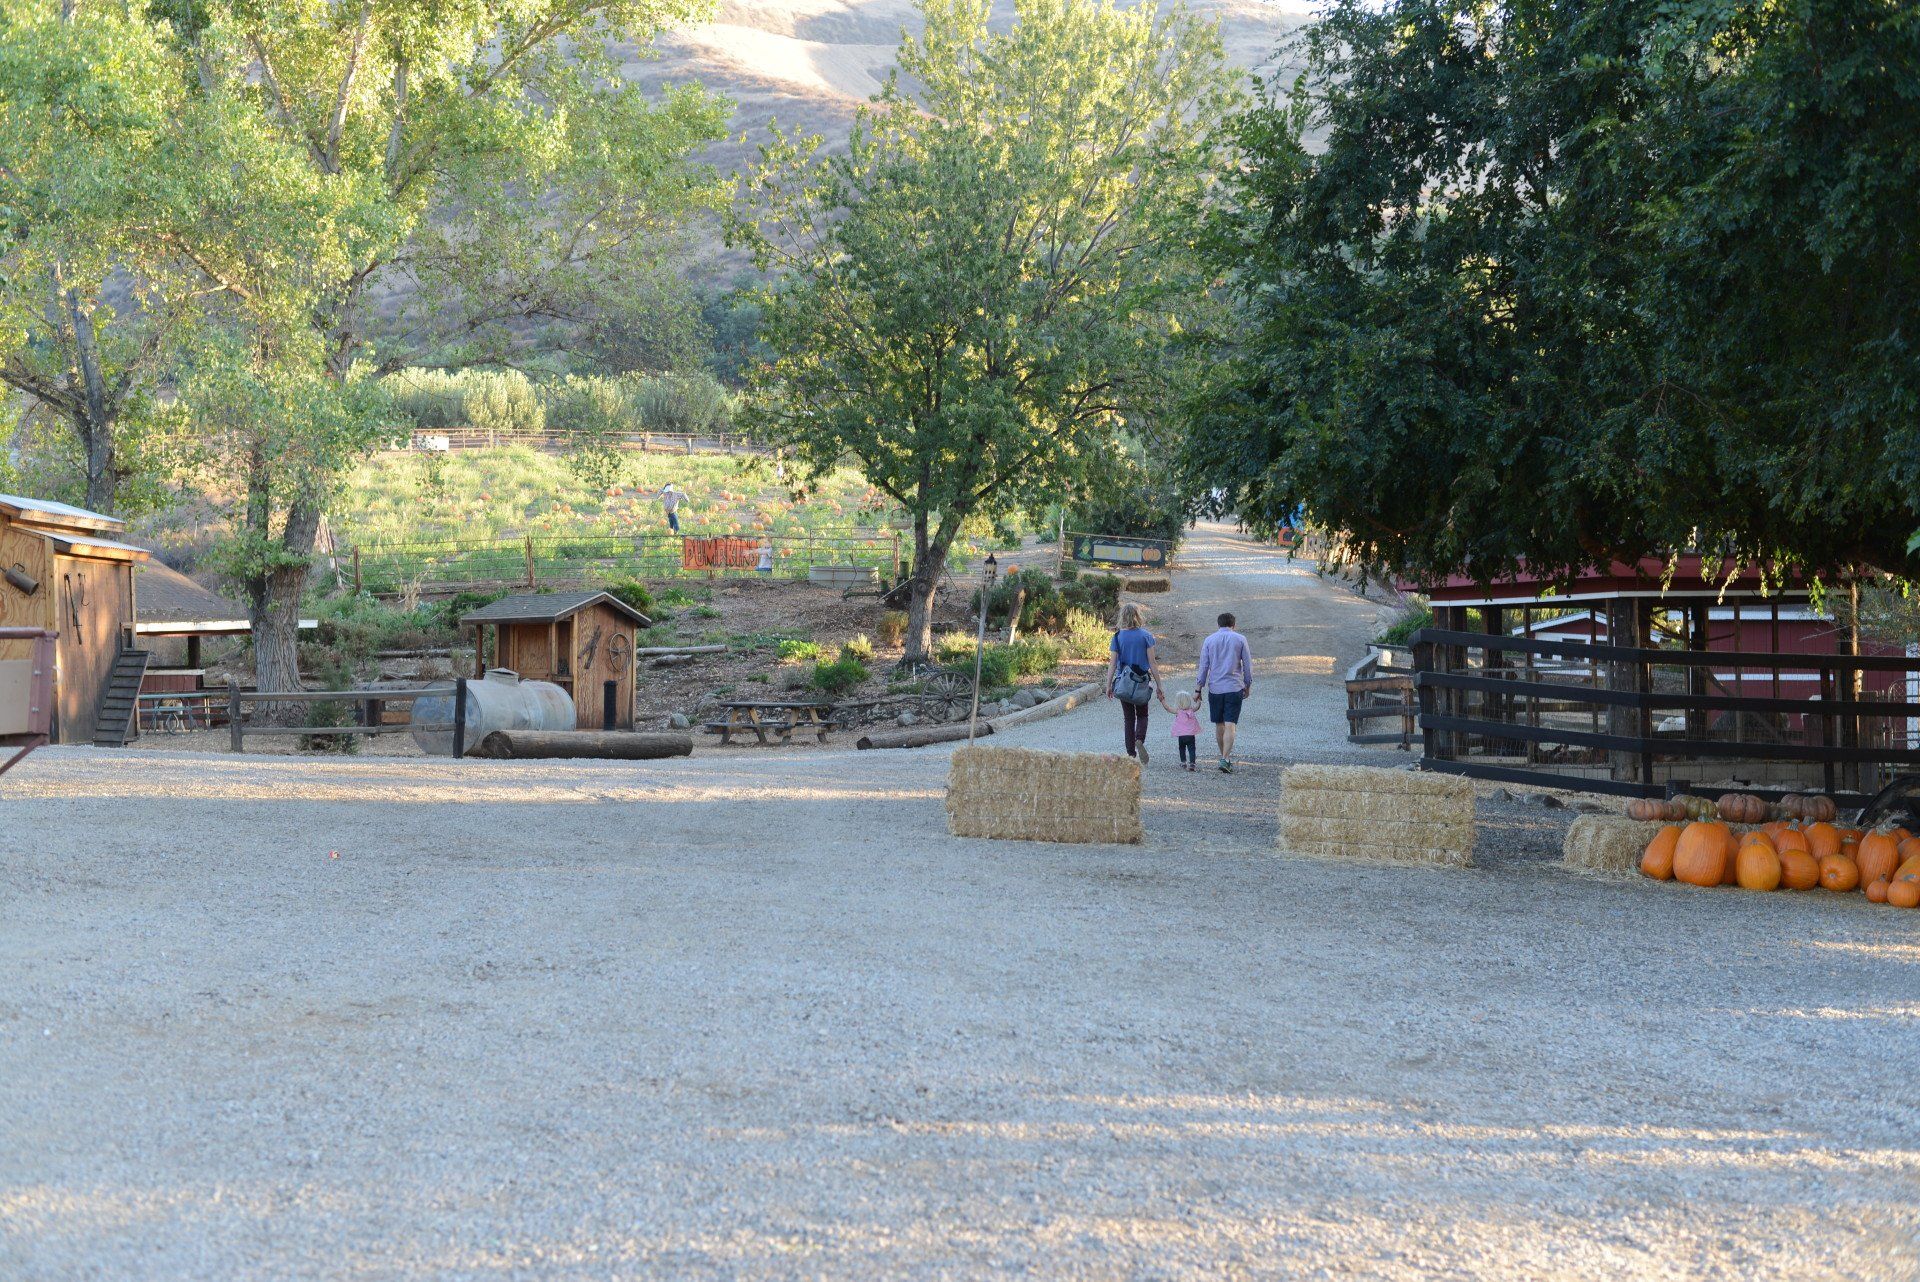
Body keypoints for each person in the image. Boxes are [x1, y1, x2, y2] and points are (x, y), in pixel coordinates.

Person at [1193, 611, 1252, 772]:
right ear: (1234, 625)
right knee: (1230, 723)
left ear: (1218, 625)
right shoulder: (1240, 639)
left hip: (1216, 688)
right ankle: (1225, 758)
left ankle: (1224, 758)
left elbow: (1204, 666)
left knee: (1219, 724)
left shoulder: (1209, 640)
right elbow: (1247, 665)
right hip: (1234, 687)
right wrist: (1247, 684)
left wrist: (1198, 689)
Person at [1105, 602, 1163, 764]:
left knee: (1128, 719)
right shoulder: (1146, 636)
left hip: (1124, 683)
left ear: (1122, 617)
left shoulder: (1117, 637)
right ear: (1138, 616)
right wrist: (1159, 686)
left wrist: (1108, 685)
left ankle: (1131, 754)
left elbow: (1113, 663)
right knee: (1142, 714)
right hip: (1142, 681)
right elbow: (1152, 663)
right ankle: (1140, 739)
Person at [1162, 689, 1201, 771]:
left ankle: (1183, 762)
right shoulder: (1191, 710)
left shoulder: (1178, 711)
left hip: (1181, 735)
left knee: (1181, 748)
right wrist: (1199, 699)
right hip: (1190, 735)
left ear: (1178, 702)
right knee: (1192, 749)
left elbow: (1167, 708)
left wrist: (1162, 700)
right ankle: (1192, 764)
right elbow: (1197, 706)